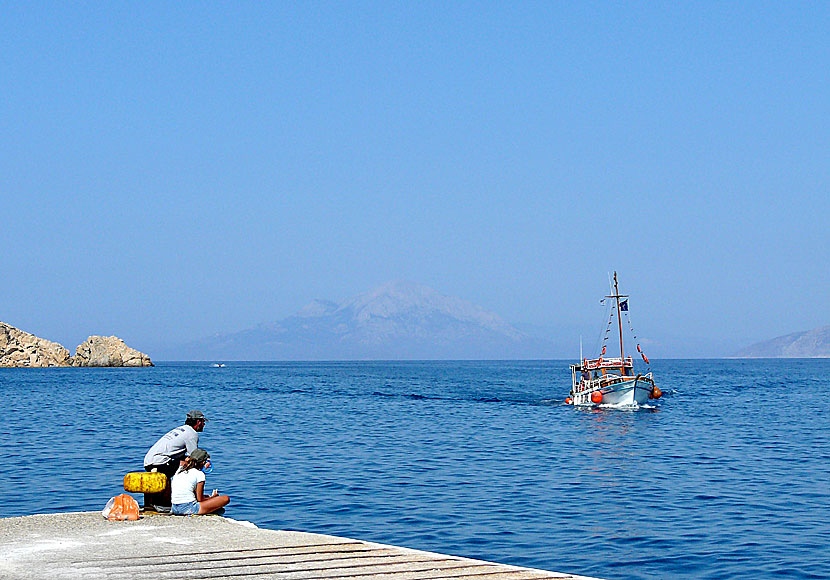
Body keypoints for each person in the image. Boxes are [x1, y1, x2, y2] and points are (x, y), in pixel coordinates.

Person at [143, 410, 208, 510]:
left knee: (182, 464)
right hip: (159, 462)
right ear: (198, 422)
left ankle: (163, 501)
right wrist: (204, 465)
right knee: (188, 466)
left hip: (149, 461)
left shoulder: (181, 429)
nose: (204, 424)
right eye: (203, 422)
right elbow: (195, 458)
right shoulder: (192, 434)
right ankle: (186, 499)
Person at [170, 448, 230, 516]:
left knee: (208, 499)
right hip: (189, 508)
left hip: (175, 508)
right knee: (225, 498)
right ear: (203, 462)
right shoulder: (200, 474)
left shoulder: (180, 470)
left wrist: (208, 498)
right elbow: (200, 499)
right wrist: (213, 497)